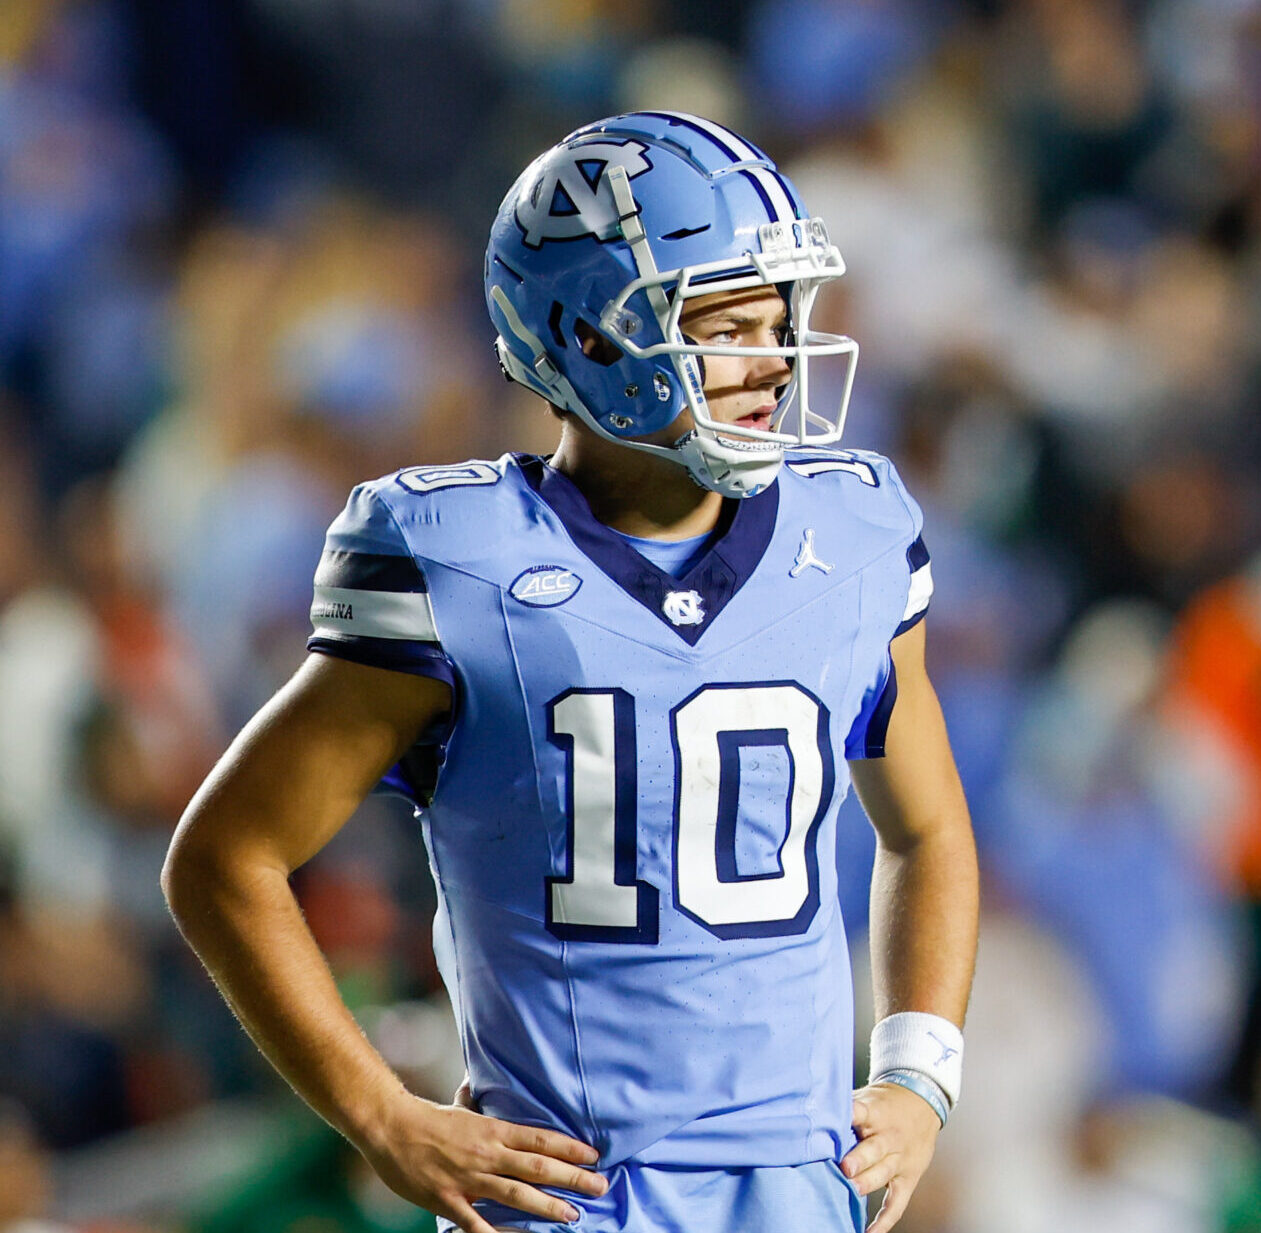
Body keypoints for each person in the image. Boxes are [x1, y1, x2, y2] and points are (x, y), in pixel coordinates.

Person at [161, 111, 980, 1233]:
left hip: (799, 1187)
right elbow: (224, 857)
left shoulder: (853, 533)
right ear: (589, 339)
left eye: (779, 319)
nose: (774, 362)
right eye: (725, 326)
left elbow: (926, 828)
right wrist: (380, 1116)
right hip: (568, 1198)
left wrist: (919, 1071)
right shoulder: (457, 559)